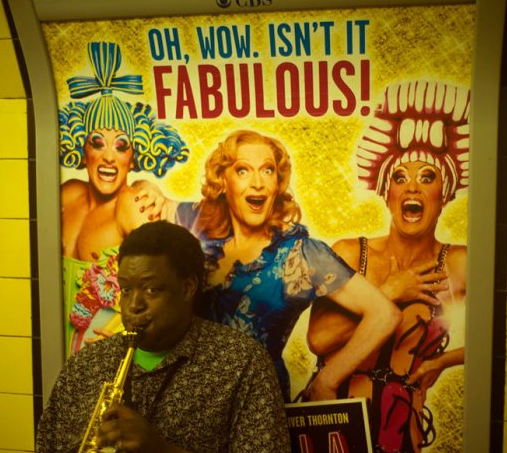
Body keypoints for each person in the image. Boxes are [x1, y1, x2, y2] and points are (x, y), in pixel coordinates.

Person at [158, 129, 402, 402]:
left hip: (255, 406)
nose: (258, 183)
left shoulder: (300, 254)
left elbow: (384, 314)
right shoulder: (198, 231)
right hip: (188, 400)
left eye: (267, 170)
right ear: (223, 182)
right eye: (242, 171)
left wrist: (327, 381)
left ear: (277, 184)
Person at [306, 81, 469, 453]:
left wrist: (442, 360)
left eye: (427, 177)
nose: (412, 187)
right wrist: (390, 291)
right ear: (386, 191)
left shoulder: (458, 262)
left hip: (400, 439)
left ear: (443, 196)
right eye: (400, 177)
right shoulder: (350, 253)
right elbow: (320, 339)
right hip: (335, 431)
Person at [36, 221, 292, 453]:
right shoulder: (85, 367)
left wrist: (161, 451)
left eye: (151, 289)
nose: (133, 305)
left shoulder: (242, 363)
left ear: (188, 288)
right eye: (126, 289)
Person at [59, 41, 189, 354]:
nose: (108, 158)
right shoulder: (66, 195)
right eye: (97, 143)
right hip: (60, 346)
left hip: (111, 350)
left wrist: (130, 338)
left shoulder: (133, 205)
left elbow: (172, 288)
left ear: (133, 157)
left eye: (121, 146)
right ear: (83, 150)